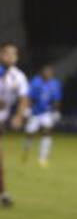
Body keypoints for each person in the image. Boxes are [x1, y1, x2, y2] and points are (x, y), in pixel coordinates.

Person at [0, 42, 30, 208]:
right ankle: (4, 194)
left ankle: (3, 194)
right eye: (7, 53)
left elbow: (24, 98)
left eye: (14, 54)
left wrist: (19, 116)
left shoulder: (18, 77)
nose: (11, 57)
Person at [23, 64, 62, 167]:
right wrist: (27, 109)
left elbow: (56, 99)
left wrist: (56, 111)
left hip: (46, 113)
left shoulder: (55, 84)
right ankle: (26, 152)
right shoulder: (36, 82)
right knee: (30, 133)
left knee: (47, 132)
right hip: (35, 113)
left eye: (50, 72)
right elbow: (30, 97)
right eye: (46, 72)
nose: (48, 74)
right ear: (42, 73)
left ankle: (42, 158)